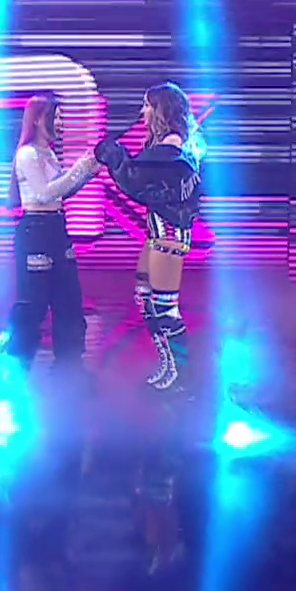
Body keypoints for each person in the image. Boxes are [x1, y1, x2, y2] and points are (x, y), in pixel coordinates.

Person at [95, 82, 203, 390]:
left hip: (168, 234)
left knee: (166, 308)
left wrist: (112, 155)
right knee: (145, 299)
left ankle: (183, 374)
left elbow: (135, 179)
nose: (142, 111)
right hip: (157, 233)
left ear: (161, 110)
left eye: (147, 105)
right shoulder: (173, 144)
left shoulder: (173, 146)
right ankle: (169, 364)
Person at [7, 91, 99, 370]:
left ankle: (69, 363)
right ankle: (17, 362)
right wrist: (78, 169)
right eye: (55, 117)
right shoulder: (27, 154)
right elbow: (44, 193)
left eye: (61, 117)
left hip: (57, 229)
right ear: (37, 119)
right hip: (36, 232)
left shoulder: (48, 154)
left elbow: (60, 193)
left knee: (68, 298)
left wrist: (85, 174)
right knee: (33, 302)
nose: (60, 122)